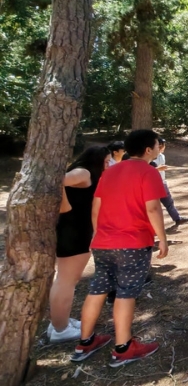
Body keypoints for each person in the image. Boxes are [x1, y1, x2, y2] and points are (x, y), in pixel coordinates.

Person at [71, 129, 168, 367]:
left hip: (103, 242)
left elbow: (96, 206)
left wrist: (99, 234)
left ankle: (85, 341)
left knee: (98, 289)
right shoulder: (149, 171)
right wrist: (162, 238)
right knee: (126, 293)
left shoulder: (110, 172)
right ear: (148, 149)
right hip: (133, 243)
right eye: (157, 145)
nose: (159, 148)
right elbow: (153, 208)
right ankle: (123, 348)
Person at [48, 146, 111, 343]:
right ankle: (60, 330)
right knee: (66, 281)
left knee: (67, 280)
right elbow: (55, 180)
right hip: (73, 230)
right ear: (96, 159)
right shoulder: (84, 172)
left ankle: (59, 322)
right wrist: (65, 209)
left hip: (77, 229)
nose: (108, 165)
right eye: (106, 161)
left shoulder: (89, 174)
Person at [154, 138, 188, 226]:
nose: (164, 147)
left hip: (162, 182)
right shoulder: (150, 157)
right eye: (163, 145)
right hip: (152, 185)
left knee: (169, 202)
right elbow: (146, 171)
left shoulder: (162, 156)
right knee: (152, 206)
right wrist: (157, 169)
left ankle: (177, 218)